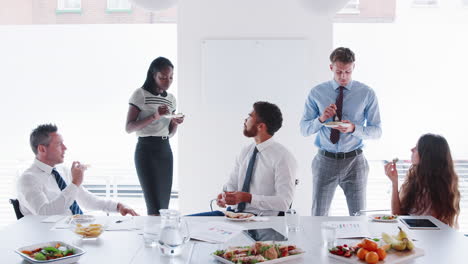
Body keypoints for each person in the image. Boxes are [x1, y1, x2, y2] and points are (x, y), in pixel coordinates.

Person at [300, 47, 382, 216]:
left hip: (355, 162)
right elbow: (304, 129)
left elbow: (377, 131)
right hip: (325, 161)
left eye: (347, 72)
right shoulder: (317, 93)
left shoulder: (367, 93)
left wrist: (353, 128)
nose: (343, 76)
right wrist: (322, 119)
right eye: (339, 72)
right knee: (318, 216)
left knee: (359, 217)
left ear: (353, 68)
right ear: (331, 68)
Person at [190, 101, 297, 216]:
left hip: (260, 220)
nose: (245, 120)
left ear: (261, 126)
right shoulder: (246, 151)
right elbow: (232, 184)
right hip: (233, 215)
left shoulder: (283, 157)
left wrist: (248, 198)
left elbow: (284, 202)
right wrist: (226, 196)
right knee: (184, 222)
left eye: (249, 117)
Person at [17, 124, 138, 216]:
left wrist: (118, 206)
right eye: (59, 144)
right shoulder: (28, 179)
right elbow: (44, 213)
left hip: (72, 231)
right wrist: (75, 183)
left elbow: (86, 200)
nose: (65, 148)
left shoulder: (62, 171)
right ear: (42, 149)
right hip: (49, 241)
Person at [126, 57, 184, 215]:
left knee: (163, 206)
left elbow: (170, 133)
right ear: (153, 75)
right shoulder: (140, 95)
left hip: (164, 150)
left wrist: (176, 122)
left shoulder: (171, 99)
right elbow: (129, 127)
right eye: (163, 77)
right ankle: (151, 239)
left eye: (171, 77)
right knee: (153, 206)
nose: (168, 81)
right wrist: (155, 116)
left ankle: (161, 239)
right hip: (146, 150)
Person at [384, 134, 460, 227]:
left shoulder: (441, 189)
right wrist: (394, 182)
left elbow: (429, 227)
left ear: (427, 155)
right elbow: (397, 215)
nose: (412, 149)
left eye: (417, 147)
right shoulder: (414, 179)